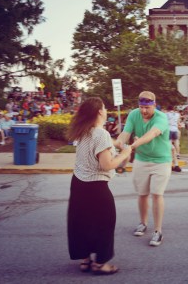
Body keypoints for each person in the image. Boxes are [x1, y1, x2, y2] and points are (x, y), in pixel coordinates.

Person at [66, 97, 132, 276]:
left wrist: (114, 143)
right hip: (96, 186)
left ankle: (85, 259)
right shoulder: (100, 133)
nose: (106, 110)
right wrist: (125, 153)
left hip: (78, 183)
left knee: (81, 222)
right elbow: (107, 164)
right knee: (104, 223)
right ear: (99, 112)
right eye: (104, 108)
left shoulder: (83, 131)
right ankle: (100, 263)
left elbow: (97, 145)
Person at [115, 91, 171, 247]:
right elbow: (126, 133)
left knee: (157, 194)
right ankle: (143, 223)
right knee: (142, 194)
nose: (144, 111)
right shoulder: (134, 114)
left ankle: (157, 231)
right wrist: (120, 143)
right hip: (141, 159)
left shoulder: (161, 118)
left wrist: (132, 146)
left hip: (161, 160)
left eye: (147, 107)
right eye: (141, 107)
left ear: (154, 105)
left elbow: (151, 134)